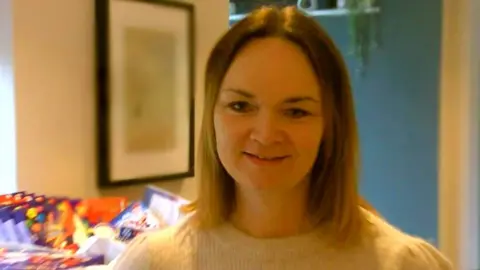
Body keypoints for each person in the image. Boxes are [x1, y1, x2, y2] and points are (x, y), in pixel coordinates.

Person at [111, 5, 452, 270]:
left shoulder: (401, 263)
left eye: (296, 111)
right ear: (211, 117)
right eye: (241, 105)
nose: (265, 134)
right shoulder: (155, 262)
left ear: (330, 126)